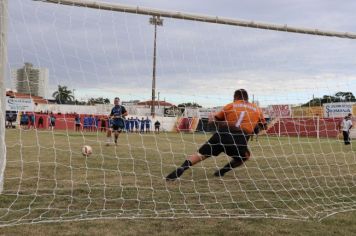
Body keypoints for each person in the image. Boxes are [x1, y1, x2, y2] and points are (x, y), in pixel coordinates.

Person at [166, 89, 266, 181]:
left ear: (235, 97)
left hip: (222, 134)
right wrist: (254, 128)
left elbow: (214, 120)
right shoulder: (257, 109)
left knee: (201, 154)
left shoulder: (231, 105)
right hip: (239, 139)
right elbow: (263, 126)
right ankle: (221, 172)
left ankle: (182, 168)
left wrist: (212, 119)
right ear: (247, 98)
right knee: (245, 156)